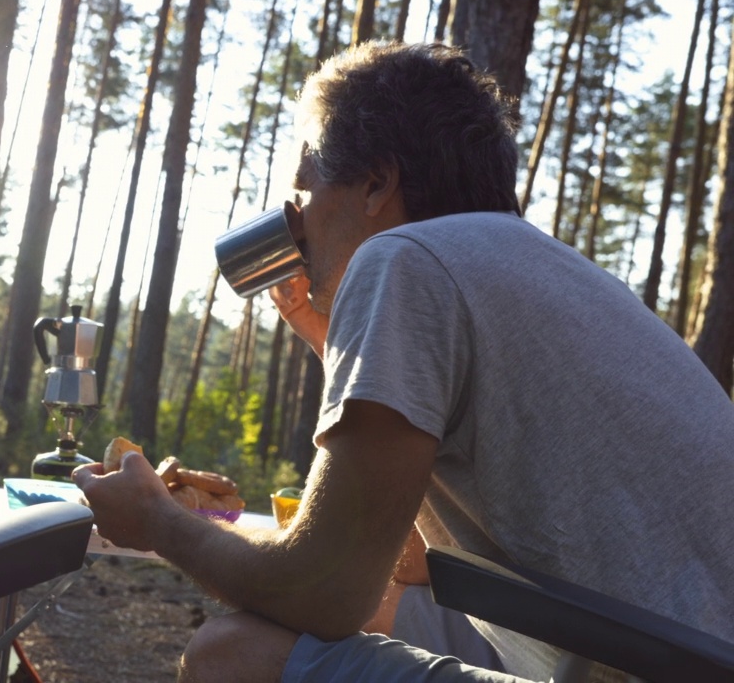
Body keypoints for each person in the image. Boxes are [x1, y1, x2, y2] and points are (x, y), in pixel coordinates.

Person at [73, 40, 734, 682]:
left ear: (377, 183)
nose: (293, 223)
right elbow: (408, 565)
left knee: (232, 656)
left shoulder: (404, 260)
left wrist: (159, 521)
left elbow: (323, 592)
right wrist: (336, 350)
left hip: (647, 666)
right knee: (388, 609)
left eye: (301, 193)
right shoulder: (541, 271)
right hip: (659, 651)